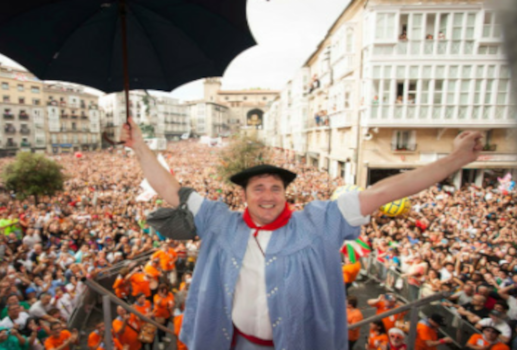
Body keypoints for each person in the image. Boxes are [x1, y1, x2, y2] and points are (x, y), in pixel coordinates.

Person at [121, 117, 484, 349]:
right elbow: (170, 189)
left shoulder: (319, 222)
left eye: (275, 188)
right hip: (233, 342)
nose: (267, 196)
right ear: (243, 196)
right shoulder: (221, 222)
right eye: (258, 188)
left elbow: (385, 192)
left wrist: (455, 160)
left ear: (285, 193)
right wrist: (140, 146)